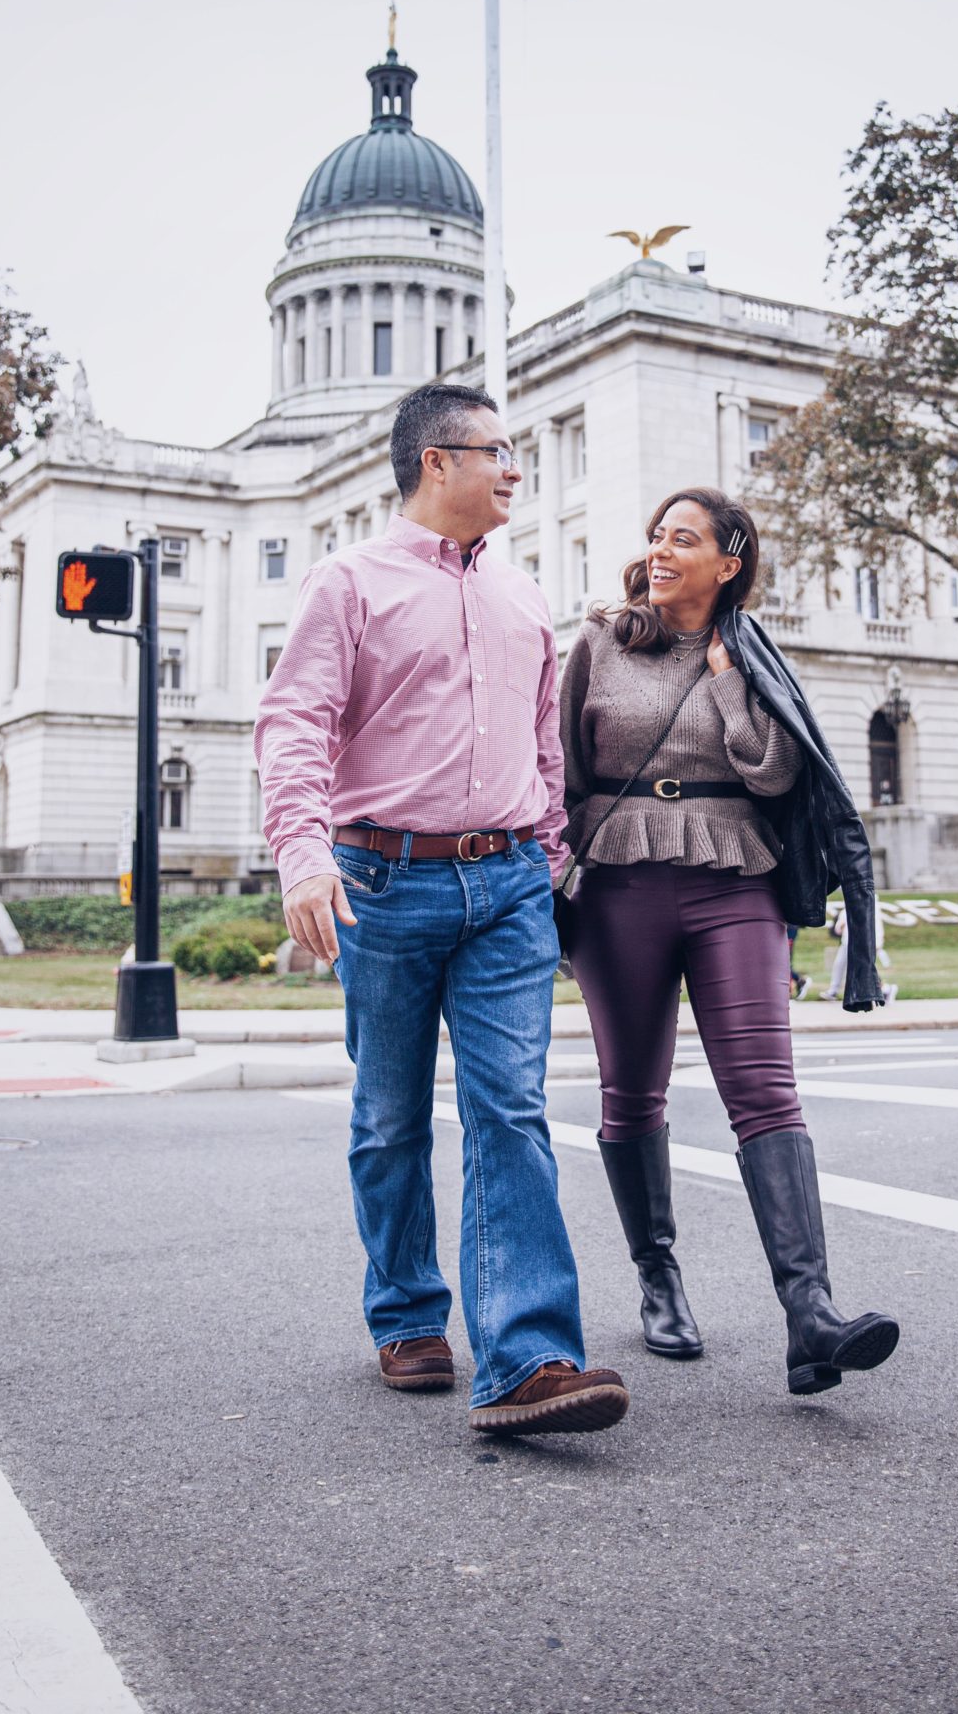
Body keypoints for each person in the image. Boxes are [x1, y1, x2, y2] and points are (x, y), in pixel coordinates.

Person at [255, 383, 628, 1438]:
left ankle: (529, 1356)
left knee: (511, 1111)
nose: (516, 468)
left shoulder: (523, 596)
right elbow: (294, 724)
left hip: (508, 882)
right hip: (382, 883)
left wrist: (554, 861)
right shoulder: (348, 583)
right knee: (389, 1119)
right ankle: (407, 1311)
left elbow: (547, 751)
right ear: (436, 462)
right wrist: (303, 857)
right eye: (498, 452)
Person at [560, 486, 899, 1395]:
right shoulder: (598, 643)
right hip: (621, 878)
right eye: (657, 536)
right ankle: (658, 1277)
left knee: (767, 1093)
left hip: (733, 879)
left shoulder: (750, 655)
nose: (662, 551)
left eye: (684, 539)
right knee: (633, 1092)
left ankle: (811, 1315)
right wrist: (556, 880)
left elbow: (774, 768)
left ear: (729, 560)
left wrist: (721, 676)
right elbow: (563, 770)